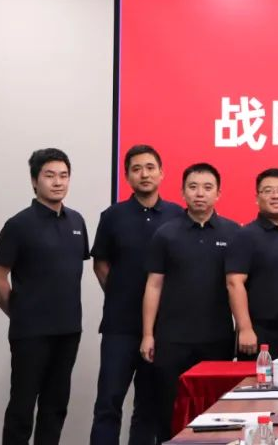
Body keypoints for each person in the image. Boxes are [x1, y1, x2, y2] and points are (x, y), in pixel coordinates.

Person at [0, 148, 89, 445]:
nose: (58, 182)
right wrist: (21, 313)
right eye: (49, 175)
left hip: (68, 330)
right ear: (35, 181)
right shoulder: (18, 225)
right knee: (22, 409)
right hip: (31, 333)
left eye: (64, 176)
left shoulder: (76, 221)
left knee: (55, 407)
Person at [141, 162, 239, 442]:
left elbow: (238, 286)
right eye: (193, 187)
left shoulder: (233, 233)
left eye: (207, 187)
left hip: (217, 338)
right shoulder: (166, 234)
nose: (200, 193)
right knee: (169, 410)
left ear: (218, 193)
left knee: (216, 413)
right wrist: (148, 334)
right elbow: (154, 285)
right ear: (183, 192)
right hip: (172, 339)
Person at [90, 145, 180, 445]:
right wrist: (120, 293)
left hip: (163, 328)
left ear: (161, 173)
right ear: (127, 176)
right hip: (120, 326)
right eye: (137, 169)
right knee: (109, 402)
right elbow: (101, 264)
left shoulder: (177, 216)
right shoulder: (112, 216)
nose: (144, 174)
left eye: (150, 168)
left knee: (149, 406)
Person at [227, 168, 278, 360]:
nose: (275, 196)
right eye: (268, 191)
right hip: (260, 334)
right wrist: (245, 328)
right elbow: (234, 283)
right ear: (257, 198)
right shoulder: (244, 235)